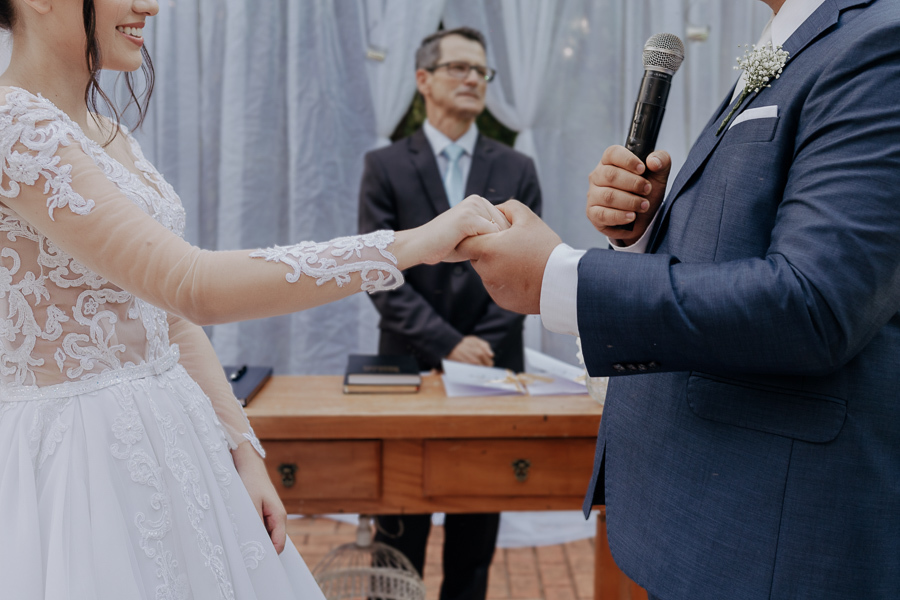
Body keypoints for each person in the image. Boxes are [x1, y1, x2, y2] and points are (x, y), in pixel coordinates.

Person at [0, 1, 509, 598]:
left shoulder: (104, 131)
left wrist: (241, 447)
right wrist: (408, 246)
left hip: (175, 433)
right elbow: (191, 283)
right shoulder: (15, 128)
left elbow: (168, 314)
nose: (150, 5)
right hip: (82, 462)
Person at [457, 0, 900, 598]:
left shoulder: (881, 44)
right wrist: (643, 231)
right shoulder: (793, 40)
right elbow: (746, 240)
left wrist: (561, 278)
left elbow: (813, 304)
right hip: (706, 510)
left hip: (774, 536)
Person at [358, 27, 541, 600]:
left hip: (492, 368)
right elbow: (377, 272)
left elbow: (532, 270)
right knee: (398, 536)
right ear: (423, 80)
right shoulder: (384, 164)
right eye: (459, 68)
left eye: (481, 72)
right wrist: (447, 344)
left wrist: (480, 345)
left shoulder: (517, 167)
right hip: (408, 367)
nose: (472, 80)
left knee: (474, 537)